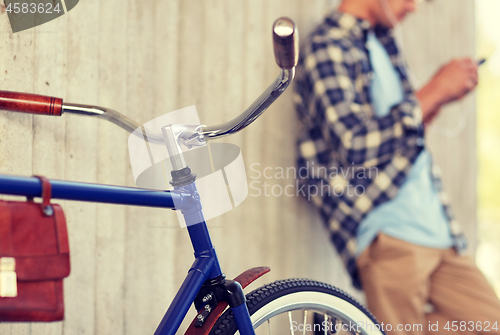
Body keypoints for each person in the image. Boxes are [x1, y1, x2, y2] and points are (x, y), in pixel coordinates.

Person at [294, 0, 500, 333]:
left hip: (439, 231)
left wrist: (433, 104)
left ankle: (355, 330)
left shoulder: (382, 44)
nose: (413, 7)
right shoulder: (329, 45)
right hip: (388, 234)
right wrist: (433, 90)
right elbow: (353, 144)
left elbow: (393, 143)